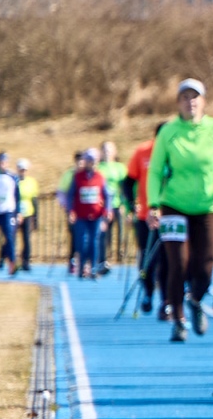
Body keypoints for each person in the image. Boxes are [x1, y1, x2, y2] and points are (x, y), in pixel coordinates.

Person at [149, 79, 213, 343]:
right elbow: (155, 170)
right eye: (185, 97)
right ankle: (178, 319)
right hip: (174, 205)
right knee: (177, 264)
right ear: (178, 102)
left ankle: (196, 299)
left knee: (205, 264)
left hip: (207, 205)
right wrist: (154, 204)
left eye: (195, 97)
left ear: (203, 101)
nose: (190, 102)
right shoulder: (168, 132)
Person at [123, 126, 165, 315]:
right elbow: (128, 181)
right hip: (146, 216)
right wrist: (132, 204)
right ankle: (148, 291)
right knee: (148, 257)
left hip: (172, 215)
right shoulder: (142, 152)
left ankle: (167, 300)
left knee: (169, 259)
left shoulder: (179, 154)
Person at [66, 149, 109, 278]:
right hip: (81, 215)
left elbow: (107, 195)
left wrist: (107, 211)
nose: (92, 163)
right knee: (82, 241)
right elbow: (70, 195)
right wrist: (70, 211)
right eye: (90, 160)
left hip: (96, 215)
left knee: (94, 241)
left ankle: (93, 268)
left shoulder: (100, 177)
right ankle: (82, 267)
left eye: (94, 161)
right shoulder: (78, 177)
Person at [96, 142, 129, 276]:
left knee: (120, 233)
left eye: (110, 150)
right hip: (103, 207)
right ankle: (104, 260)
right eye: (104, 150)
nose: (107, 152)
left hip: (117, 204)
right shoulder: (98, 168)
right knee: (104, 234)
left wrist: (124, 205)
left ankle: (120, 256)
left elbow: (124, 187)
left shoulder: (120, 168)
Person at [15, 160, 39, 271]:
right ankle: (9, 259)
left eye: (24, 170)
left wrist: (35, 217)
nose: (22, 172)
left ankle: (26, 261)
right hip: (15, 213)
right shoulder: (14, 181)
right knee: (11, 238)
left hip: (28, 213)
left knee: (26, 239)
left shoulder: (31, 182)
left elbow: (34, 200)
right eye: (21, 170)